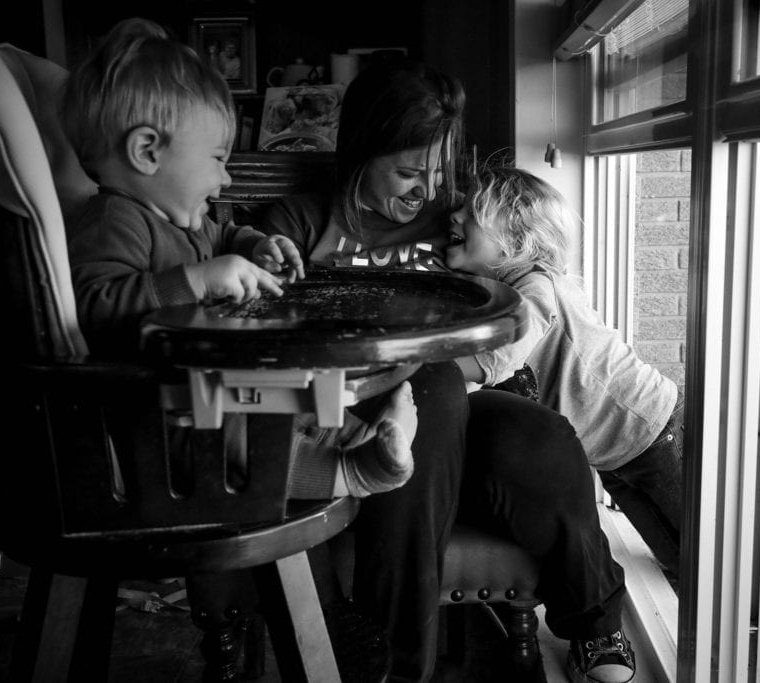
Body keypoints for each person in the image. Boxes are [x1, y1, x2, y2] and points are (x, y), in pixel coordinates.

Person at [263, 59, 635, 683]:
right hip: (346, 409)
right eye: (409, 171)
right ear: (360, 150)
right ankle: (396, 662)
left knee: (541, 437)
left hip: (457, 405)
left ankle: (595, 628)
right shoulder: (298, 225)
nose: (427, 191)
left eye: (437, 172)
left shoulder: (459, 225)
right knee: (428, 384)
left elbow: (531, 267)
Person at [61, 17, 418, 503]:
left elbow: (227, 233)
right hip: (157, 424)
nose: (226, 179)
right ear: (147, 151)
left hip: (203, 394)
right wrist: (196, 279)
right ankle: (357, 473)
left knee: (296, 402)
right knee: (253, 447)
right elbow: (92, 309)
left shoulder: (183, 221)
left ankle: (367, 440)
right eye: (217, 159)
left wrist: (255, 246)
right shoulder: (112, 220)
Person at [447, 165, 684, 582]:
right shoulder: (506, 288)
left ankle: (749, 615)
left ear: (515, 242)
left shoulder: (534, 289)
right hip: (615, 454)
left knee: (706, 555)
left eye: (471, 213)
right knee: (677, 556)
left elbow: (493, 362)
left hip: (653, 431)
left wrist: (423, 361)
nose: (455, 217)